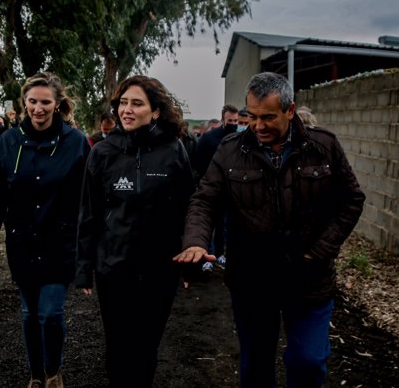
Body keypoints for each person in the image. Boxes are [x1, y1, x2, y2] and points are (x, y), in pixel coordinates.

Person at [174, 72, 365, 388]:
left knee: (309, 362)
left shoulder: (323, 146)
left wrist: (319, 250)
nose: (258, 125)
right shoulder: (230, 151)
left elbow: (351, 200)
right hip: (252, 281)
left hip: (309, 278)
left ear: (290, 111)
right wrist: (195, 239)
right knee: (256, 366)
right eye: (252, 116)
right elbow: (204, 199)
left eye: (268, 117)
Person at [75, 75, 196, 388]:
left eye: (136, 103)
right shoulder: (102, 153)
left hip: (160, 268)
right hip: (113, 267)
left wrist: (188, 261)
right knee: (118, 346)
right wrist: (84, 266)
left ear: (155, 111)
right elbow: (89, 213)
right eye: (122, 103)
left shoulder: (173, 150)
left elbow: (187, 207)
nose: (126, 110)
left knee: (146, 346)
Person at [0, 72, 91, 388]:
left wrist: (89, 246)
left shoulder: (77, 143)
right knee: (29, 314)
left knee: (51, 314)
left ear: (57, 105)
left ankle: (53, 372)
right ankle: (35, 376)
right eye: (32, 101)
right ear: (24, 103)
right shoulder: (8, 141)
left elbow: (89, 199)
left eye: (45, 102)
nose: (38, 108)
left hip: (60, 242)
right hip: (22, 241)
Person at [192, 104, 240, 272]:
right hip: (211, 188)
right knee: (209, 224)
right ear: (222, 120)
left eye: (236, 120)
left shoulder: (239, 138)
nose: (233, 123)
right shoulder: (209, 138)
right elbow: (197, 160)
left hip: (230, 190)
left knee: (224, 224)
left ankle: (220, 253)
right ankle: (208, 257)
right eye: (230, 120)